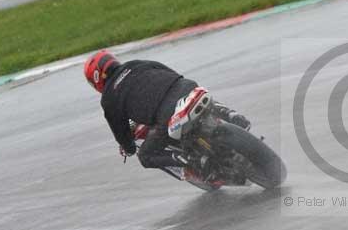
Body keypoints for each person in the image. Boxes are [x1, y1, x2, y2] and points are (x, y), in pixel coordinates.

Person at [83, 50, 250, 181]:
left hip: (166, 114)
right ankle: (230, 114)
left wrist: (128, 148)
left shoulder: (109, 99)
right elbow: (170, 72)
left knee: (146, 156)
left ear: (96, 78)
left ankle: (190, 159)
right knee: (195, 95)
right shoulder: (137, 63)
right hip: (185, 87)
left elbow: (121, 133)